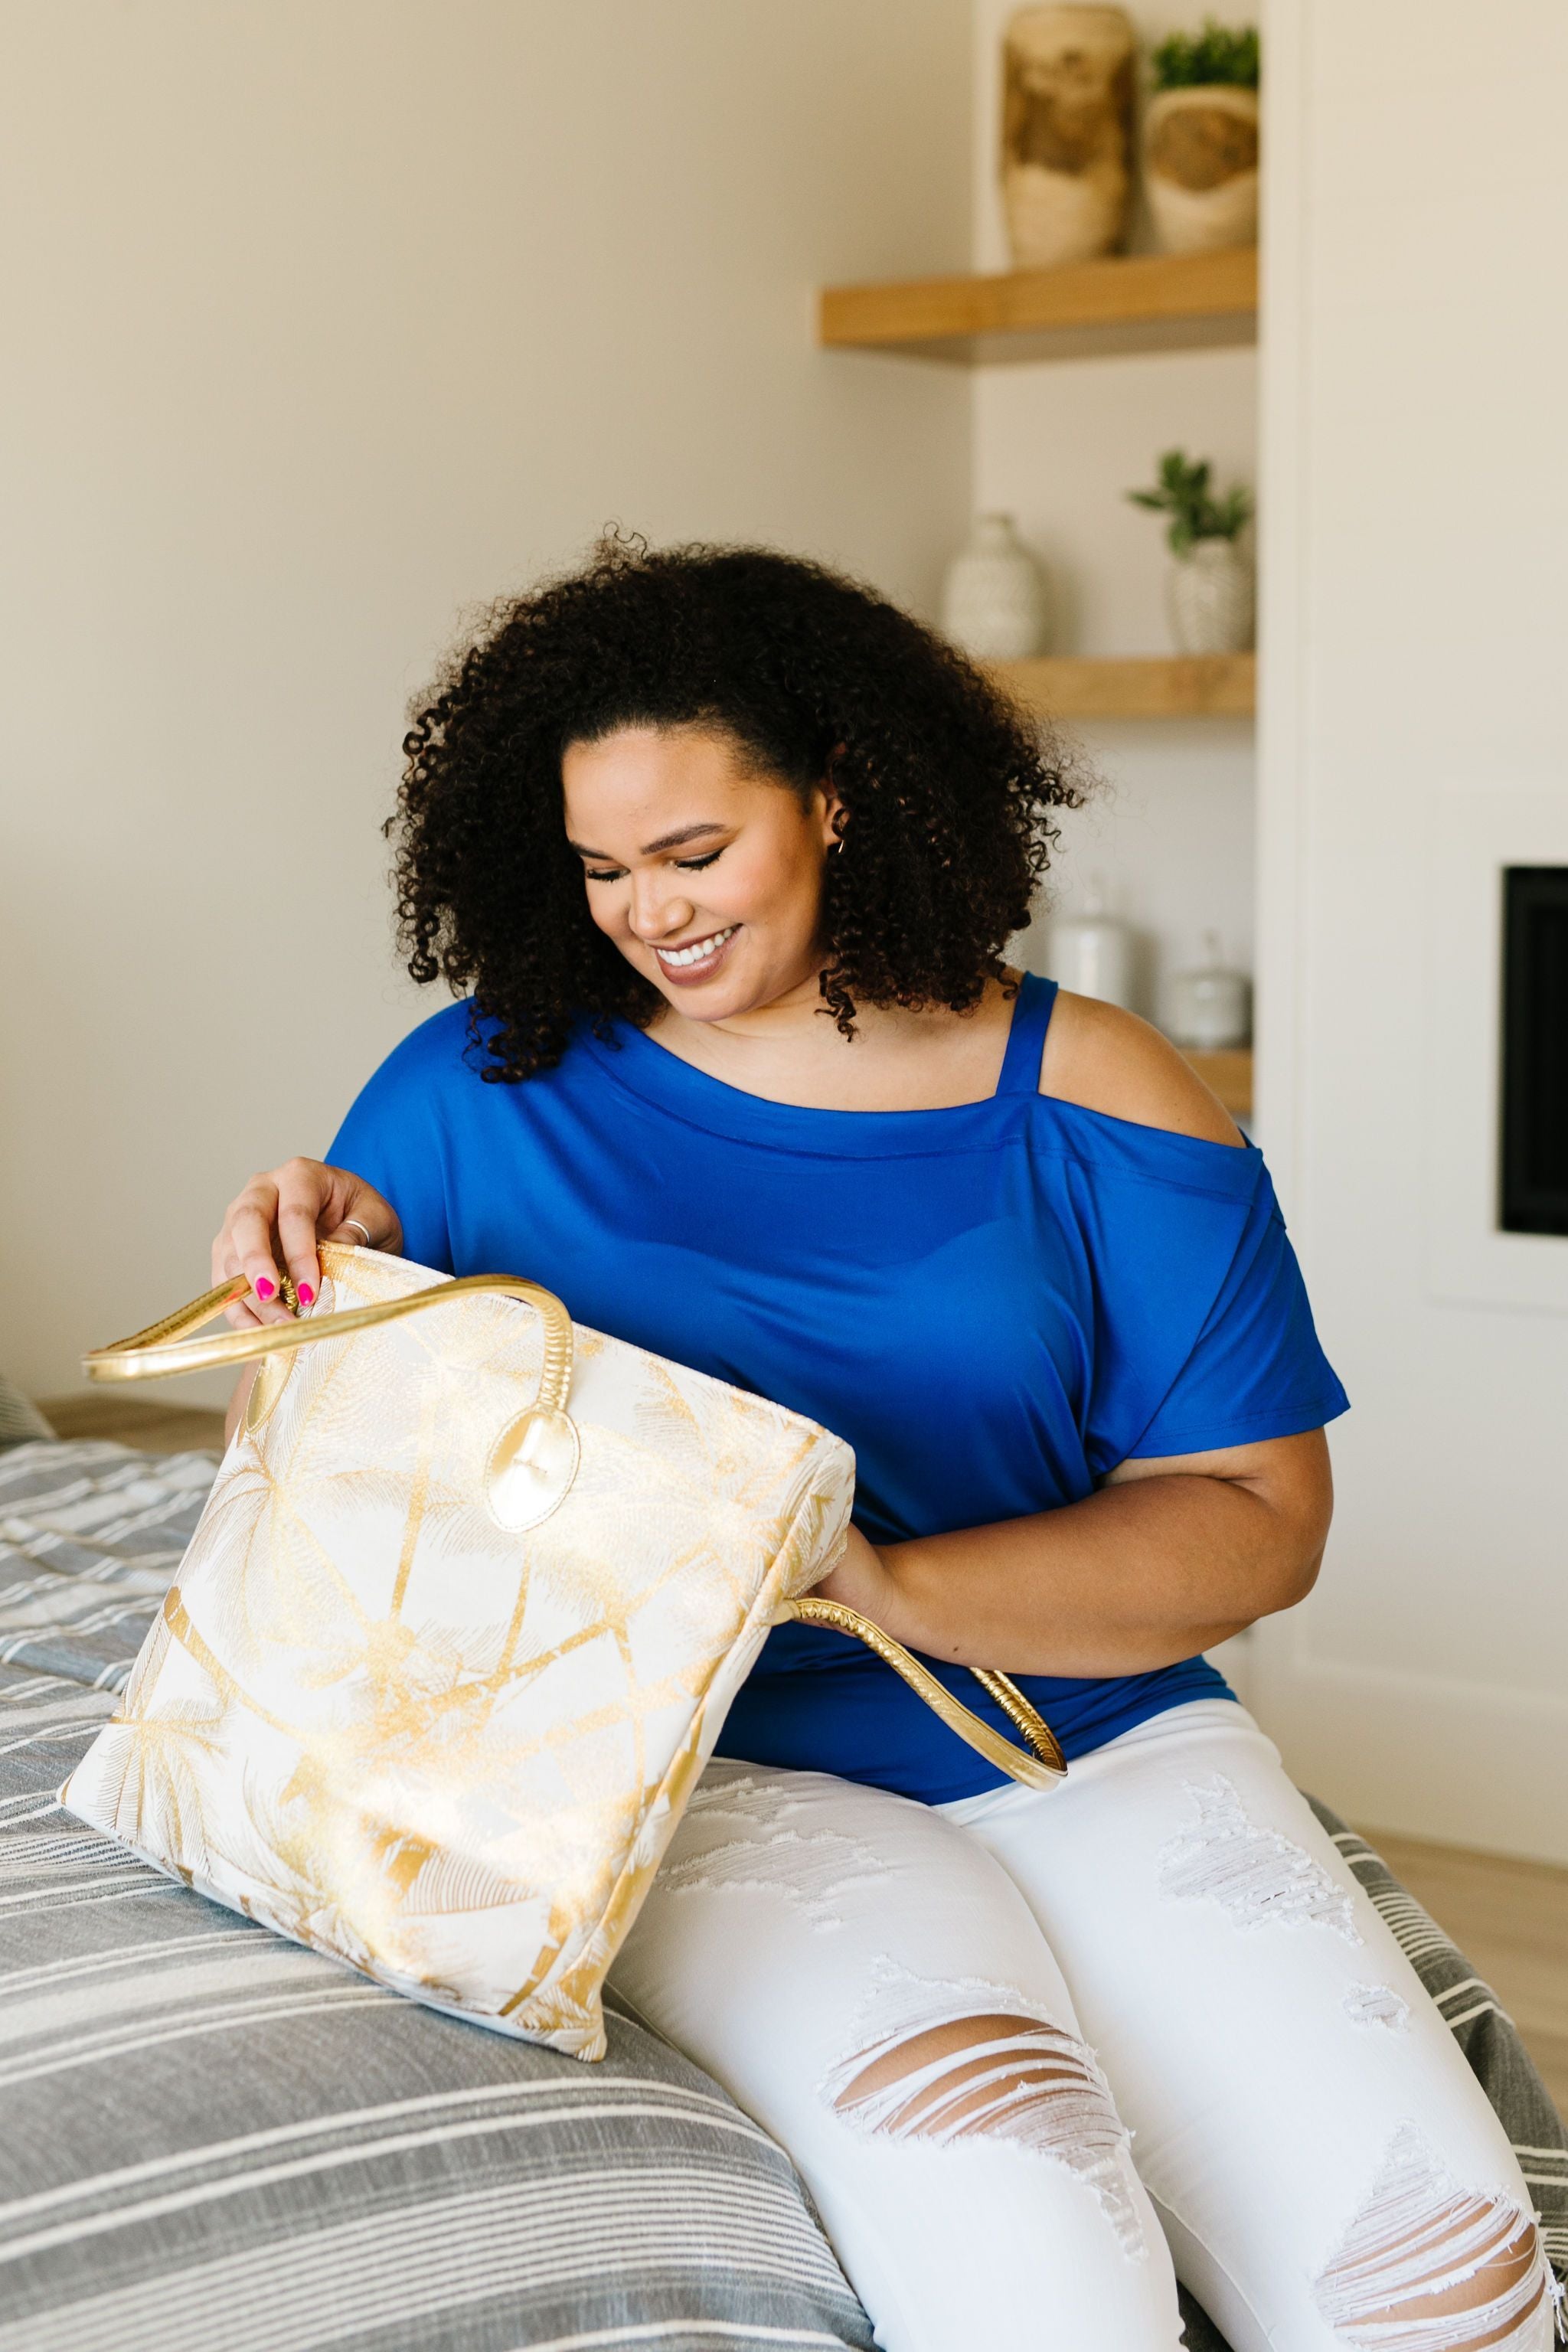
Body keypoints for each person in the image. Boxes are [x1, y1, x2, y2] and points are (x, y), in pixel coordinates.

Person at [213, 539, 1554, 2352]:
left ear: (839, 800)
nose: (648, 913)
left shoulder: (1094, 1092)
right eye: (602, 867)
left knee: (1441, 2280)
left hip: (1080, 1725)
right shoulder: (473, 1084)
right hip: (680, 1760)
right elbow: (309, 1505)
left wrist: (887, 1582)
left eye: (696, 853)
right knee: (1033, 2239)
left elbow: (1255, 1517)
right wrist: (308, 1301)